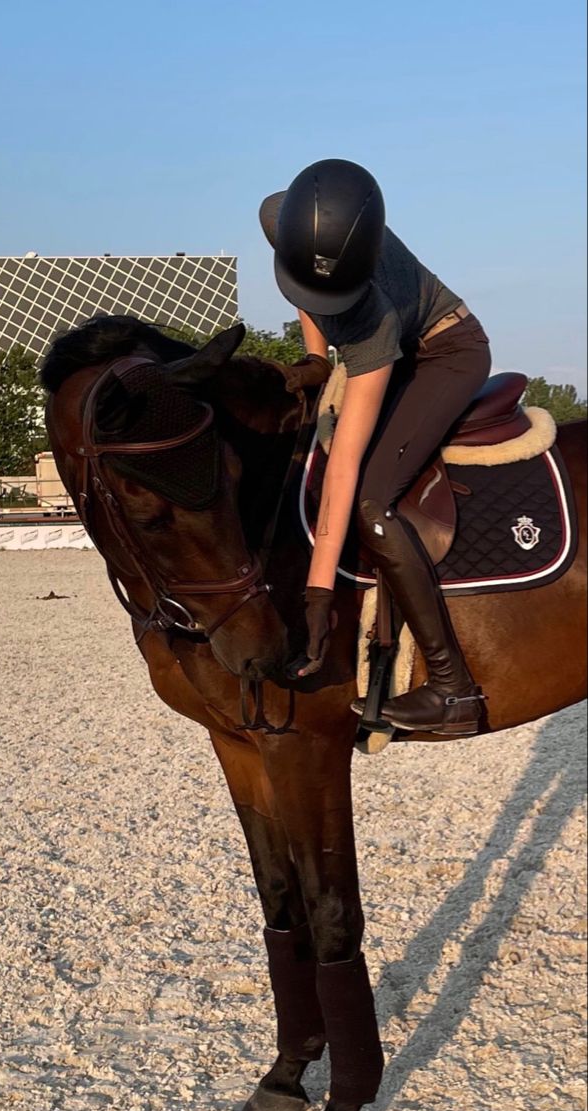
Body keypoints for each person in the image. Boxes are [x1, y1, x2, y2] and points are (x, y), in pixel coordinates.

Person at [260, 159, 491, 736]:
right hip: (400, 344)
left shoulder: (370, 324)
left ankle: (452, 689)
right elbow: (306, 289)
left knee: (371, 503)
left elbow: (343, 469)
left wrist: (318, 592)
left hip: (446, 352)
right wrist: (316, 357)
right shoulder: (280, 219)